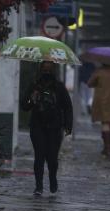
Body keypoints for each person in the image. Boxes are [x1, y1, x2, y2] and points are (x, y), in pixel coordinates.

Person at [21, 61, 73, 196]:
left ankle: (52, 179)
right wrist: (32, 99)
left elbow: (67, 106)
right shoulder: (34, 86)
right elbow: (24, 106)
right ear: (40, 70)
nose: (46, 73)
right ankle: (38, 186)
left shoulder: (59, 87)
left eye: (49, 70)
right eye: (44, 70)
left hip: (55, 127)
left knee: (52, 158)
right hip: (37, 126)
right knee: (39, 156)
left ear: (53, 71)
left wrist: (68, 125)